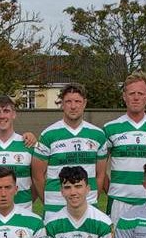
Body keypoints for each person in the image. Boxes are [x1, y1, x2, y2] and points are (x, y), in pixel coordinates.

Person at [102, 71, 146, 224]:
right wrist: (113, 191)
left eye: (140, 93)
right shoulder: (110, 128)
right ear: (124, 96)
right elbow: (99, 169)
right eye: (131, 93)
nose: (136, 97)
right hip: (119, 202)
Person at [32, 84, 108, 218]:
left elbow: (100, 174)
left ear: (84, 103)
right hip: (55, 208)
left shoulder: (98, 135)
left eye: (77, 101)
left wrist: (91, 199)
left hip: (87, 207)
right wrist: (49, 202)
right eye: (68, 101)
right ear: (62, 104)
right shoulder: (48, 135)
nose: (73, 106)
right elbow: (37, 176)